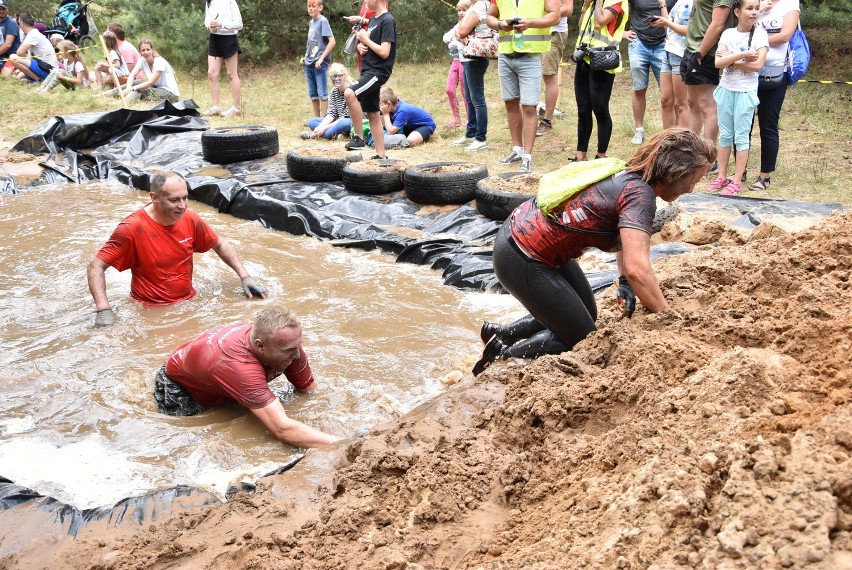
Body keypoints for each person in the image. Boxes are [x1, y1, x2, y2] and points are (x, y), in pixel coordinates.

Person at [474, 127, 715, 375]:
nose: (693, 189)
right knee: (581, 340)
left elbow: (625, 242)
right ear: (675, 173)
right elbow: (638, 270)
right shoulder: (640, 196)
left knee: (585, 315)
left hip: (525, 238)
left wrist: (623, 282)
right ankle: (500, 359)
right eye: (694, 181)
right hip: (523, 256)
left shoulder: (629, 173)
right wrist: (667, 316)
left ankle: (501, 334)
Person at [87, 170, 266, 328]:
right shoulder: (132, 228)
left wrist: (245, 276)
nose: (182, 205)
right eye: (174, 200)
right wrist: (103, 309)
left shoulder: (190, 218)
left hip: (189, 303)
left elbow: (219, 244)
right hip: (150, 312)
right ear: (154, 197)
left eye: (185, 198)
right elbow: (95, 266)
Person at [155, 305, 342, 448]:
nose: (298, 355)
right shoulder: (240, 366)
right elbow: (282, 429)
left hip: (219, 372)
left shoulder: (286, 345)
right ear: (260, 346)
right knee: (190, 437)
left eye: (298, 346)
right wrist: (343, 443)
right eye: (290, 351)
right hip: (180, 386)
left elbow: (309, 390)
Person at [487, 0, 560, 173]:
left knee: (529, 107)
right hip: (506, 54)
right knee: (510, 103)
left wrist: (530, 23)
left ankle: (527, 156)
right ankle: (517, 150)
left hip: (530, 54)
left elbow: (555, 16)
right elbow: (489, 16)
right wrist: (500, 24)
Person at [708, 0, 767, 195]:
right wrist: (741, 57)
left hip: (745, 92)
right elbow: (718, 62)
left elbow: (758, 66)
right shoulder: (728, 33)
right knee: (725, 135)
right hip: (726, 90)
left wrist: (731, 60)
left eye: (757, 8)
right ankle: (722, 176)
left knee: (741, 137)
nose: (754, 12)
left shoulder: (760, 34)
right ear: (737, 11)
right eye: (749, 8)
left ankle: (736, 180)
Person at [749, 0, 800, 192]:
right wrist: (758, 10)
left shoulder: (790, 3)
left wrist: (755, 41)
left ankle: (765, 176)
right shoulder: (755, 3)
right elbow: (740, 27)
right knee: (743, 125)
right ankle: (740, 172)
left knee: (768, 125)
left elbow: (785, 35)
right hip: (747, 71)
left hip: (776, 73)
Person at [571, 0, 629, 162]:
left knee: (600, 109)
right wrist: (584, 6)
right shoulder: (592, 3)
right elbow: (581, 25)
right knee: (583, 110)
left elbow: (600, 21)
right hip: (584, 57)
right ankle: (580, 155)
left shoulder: (616, 1)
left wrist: (597, 3)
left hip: (603, 60)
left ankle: (601, 156)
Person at [681, 0, 734, 172]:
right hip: (691, 48)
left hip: (707, 52)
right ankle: (693, 153)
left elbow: (718, 25)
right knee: (692, 103)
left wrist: (700, 53)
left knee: (707, 105)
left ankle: (710, 158)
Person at [343, 0, 396, 160]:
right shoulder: (373, 20)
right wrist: (361, 46)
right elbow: (372, 46)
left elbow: (385, 51)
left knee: (349, 93)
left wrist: (366, 40)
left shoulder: (387, 20)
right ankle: (381, 155)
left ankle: (358, 137)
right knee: (373, 114)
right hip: (367, 69)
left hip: (378, 71)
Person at [624, 0, 667, 145]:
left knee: (668, 93)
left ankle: (668, 132)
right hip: (639, 42)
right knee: (639, 88)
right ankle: (639, 130)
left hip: (664, 44)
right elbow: (616, 6)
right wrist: (621, 32)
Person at [451, 0, 492, 153]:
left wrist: (460, 32)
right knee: (469, 98)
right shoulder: (474, 6)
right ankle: (471, 133)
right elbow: (459, 29)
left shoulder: (482, 5)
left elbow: (461, 31)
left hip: (475, 56)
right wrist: (459, 32)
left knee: (477, 99)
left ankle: (481, 138)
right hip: (467, 57)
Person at [536, 0, 574, 137]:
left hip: (553, 33)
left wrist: (541, 16)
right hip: (533, 32)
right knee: (530, 74)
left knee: (549, 75)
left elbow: (568, 9)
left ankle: (547, 121)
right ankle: (528, 118)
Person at [651, 0, 690, 128]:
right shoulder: (679, 1)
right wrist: (662, 4)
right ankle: (667, 141)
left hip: (681, 55)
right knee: (665, 101)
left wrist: (667, 22)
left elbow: (689, 30)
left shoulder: (696, 3)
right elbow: (669, 26)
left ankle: (683, 143)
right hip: (667, 52)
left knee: (681, 104)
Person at [203, 0, 243, 117]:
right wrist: (210, 26)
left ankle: (236, 108)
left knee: (231, 74)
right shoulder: (209, 1)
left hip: (229, 39)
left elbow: (239, 24)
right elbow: (207, 20)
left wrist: (222, 24)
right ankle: (215, 107)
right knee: (212, 73)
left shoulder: (230, 1)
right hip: (215, 39)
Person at [301, 62, 353, 140]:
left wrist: (324, 128)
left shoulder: (352, 90)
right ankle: (338, 135)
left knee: (345, 123)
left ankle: (315, 135)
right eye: (333, 76)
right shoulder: (334, 91)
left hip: (350, 122)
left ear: (345, 75)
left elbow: (346, 117)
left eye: (339, 76)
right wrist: (320, 127)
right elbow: (331, 114)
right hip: (336, 122)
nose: (336, 79)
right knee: (312, 121)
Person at [302, 0, 335, 119]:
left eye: (313, 6)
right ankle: (317, 119)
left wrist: (321, 58)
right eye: (309, 6)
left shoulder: (323, 21)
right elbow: (311, 43)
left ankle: (325, 119)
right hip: (309, 63)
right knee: (313, 94)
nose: (311, 8)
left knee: (322, 93)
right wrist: (305, 57)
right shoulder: (311, 22)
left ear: (320, 7)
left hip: (319, 64)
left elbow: (332, 41)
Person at [442, 0, 470, 129]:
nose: (461, 13)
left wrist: (456, 41)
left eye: (464, 10)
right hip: (455, 61)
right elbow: (446, 37)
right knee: (449, 89)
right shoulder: (457, 25)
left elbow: (465, 44)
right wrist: (455, 39)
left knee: (465, 92)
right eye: (459, 10)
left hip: (465, 61)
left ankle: (470, 119)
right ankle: (456, 118)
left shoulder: (471, 25)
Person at [7, 13, 58, 82]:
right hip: (46, 68)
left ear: (21, 23)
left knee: (13, 57)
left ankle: (38, 79)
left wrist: (22, 64)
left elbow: (19, 52)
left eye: (18, 23)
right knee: (19, 76)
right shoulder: (34, 33)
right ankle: (35, 78)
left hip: (47, 70)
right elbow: (29, 56)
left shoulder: (32, 35)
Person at [0, 0, 23, 78]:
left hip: (12, 56)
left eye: (3, 9)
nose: (1, 11)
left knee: (4, 76)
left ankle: (19, 70)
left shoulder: (11, 23)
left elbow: (7, 45)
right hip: (2, 55)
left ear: (7, 9)